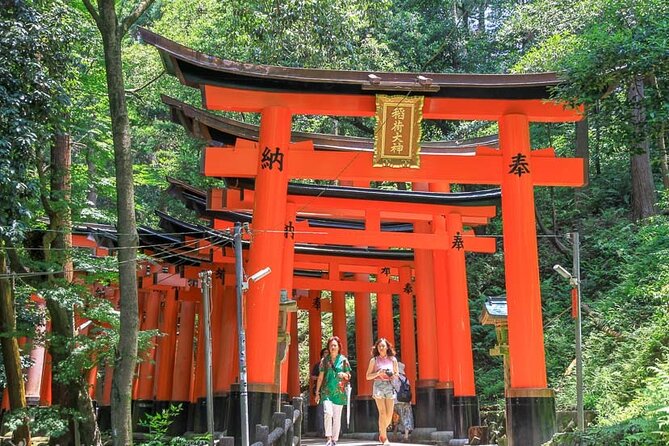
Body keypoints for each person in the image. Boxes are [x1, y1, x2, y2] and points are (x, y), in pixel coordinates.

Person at [315, 336, 351, 446]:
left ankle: (335, 439)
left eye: (335, 345)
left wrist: (344, 375)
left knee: (337, 417)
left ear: (339, 347)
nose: (333, 347)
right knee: (328, 412)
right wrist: (317, 392)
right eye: (331, 346)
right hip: (326, 391)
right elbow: (320, 377)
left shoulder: (344, 360)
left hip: (339, 392)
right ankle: (329, 438)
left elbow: (349, 375)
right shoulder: (324, 361)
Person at [366, 338, 399, 446]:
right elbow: (367, 376)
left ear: (387, 347)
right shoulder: (374, 360)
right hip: (378, 385)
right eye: (379, 346)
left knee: (389, 414)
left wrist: (391, 374)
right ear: (377, 348)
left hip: (389, 385)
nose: (381, 348)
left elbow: (397, 374)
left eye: (383, 346)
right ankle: (384, 438)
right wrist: (378, 373)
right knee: (382, 412)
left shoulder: (393, 359)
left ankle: (382, 430)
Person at [392, 362, 414, 442]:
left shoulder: (394, 378)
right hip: (406, 401)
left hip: (396, 401)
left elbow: (392, 388)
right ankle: (406, 436)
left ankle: (394, 434)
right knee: (407, 417)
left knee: (396, 417)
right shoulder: (406, 379)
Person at [311, 347, 328, 436]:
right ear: (322, 354)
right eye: (325, 352)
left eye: (327, 352)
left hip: (330, 391)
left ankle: (330, 431)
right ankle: (321, 431)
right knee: (320, 412)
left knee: (329, 412)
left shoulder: (332, 364)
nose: (327, 354)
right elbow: (313, 377)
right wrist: (320, 379)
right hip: (320, 391)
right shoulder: (318, 365)